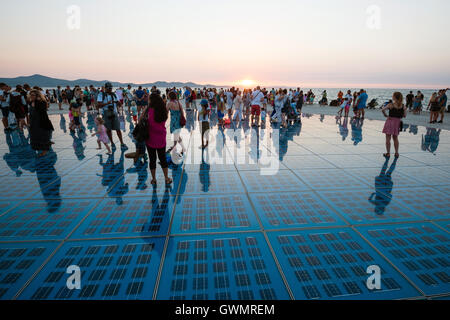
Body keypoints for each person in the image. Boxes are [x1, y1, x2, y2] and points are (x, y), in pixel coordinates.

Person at [146, 92, 172, 185]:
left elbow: (141, 120)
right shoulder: (163, 110)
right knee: (163, 159)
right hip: (161, 137)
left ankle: (154, 179)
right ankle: (166, 178)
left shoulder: (148, 110)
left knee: (152, 159)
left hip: (150, 138)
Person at [97, 82, 127, 150]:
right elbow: (99, 105)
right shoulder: (101, 94)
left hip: (114, 113)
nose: (110, 89)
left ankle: (122, 143)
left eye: (111, 88)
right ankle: (112, 143)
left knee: (118, 129)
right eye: (108, 88)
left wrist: (117, 102)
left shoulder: (115, 94)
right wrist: (107, 103)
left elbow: (120, 104)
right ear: (105, 88)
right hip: (106, 113)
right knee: (108, 130)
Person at [28, 89, 54, 157]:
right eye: (30, 95)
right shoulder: (31, 102)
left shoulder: (41, 102)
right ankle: (43, 146)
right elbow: (30, 113)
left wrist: (37, 101)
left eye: (33, 95)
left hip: (42, 122)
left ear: (37, 95)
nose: (31, 96)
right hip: (34, 122)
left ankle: (44, 151)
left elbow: (42, 111)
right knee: (35, 136)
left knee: (43, 136)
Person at [381, 92, 406, 158]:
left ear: (394, 97)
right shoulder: (403, 106)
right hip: (397, 123)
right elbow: (404, 115)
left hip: (390, 121)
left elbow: (383, 109)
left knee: (388, 139)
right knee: (395, 138)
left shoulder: (390, 105)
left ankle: (388, 153)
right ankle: (396, 153)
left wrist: (385, 115)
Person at [167, 91, 186, 155]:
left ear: (170, 96)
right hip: (178, 120)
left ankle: (183, 147)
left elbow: (165, 112)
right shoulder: (178, 102)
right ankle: (174, 146)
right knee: (176, 134)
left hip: (174, 121)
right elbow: (182, 111)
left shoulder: (169, 103)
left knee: (176, 135)